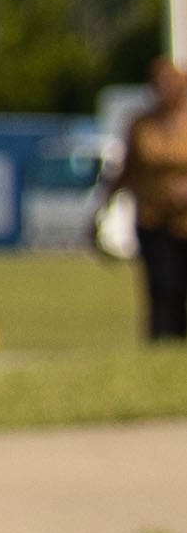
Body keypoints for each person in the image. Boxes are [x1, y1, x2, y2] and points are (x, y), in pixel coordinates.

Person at [120, 60, 187, 346]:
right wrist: (101, 206)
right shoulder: (142, 125)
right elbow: (127, 168)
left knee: (181, 284)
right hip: (151, 216)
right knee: (160, 283)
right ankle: (159, 342)